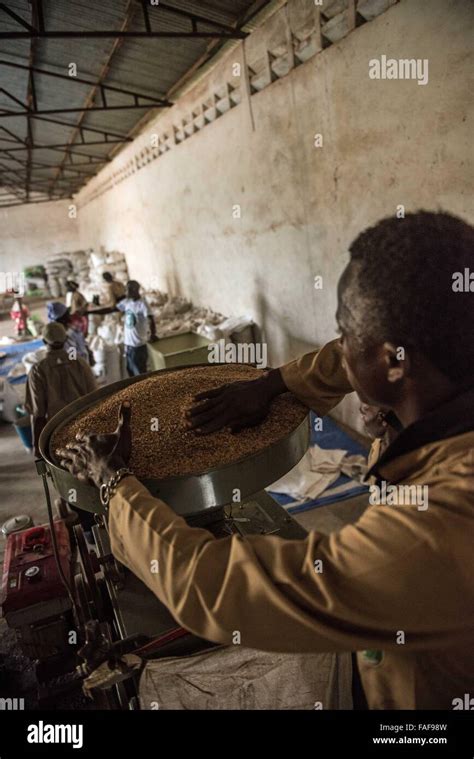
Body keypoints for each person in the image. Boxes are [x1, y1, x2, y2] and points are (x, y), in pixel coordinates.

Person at [57, 212, 474, 710]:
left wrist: (114, 483)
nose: (339, 348)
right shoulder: (446, 380)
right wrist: (273, 383)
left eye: (345, 333)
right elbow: (342, 362)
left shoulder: (431, 532)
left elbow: (214, 585)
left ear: (394, 362)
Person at [89, 280, 157, 376]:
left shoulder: (142, 304)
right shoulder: (127, 302)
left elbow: (150, 319)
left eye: (127, 290)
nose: (126, 292)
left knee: (140, 374)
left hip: (138, 346)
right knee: (131, 372)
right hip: (128, 345)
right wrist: (92, 311)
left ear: (134, 290)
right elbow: (110, 309)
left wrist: (153, 334)